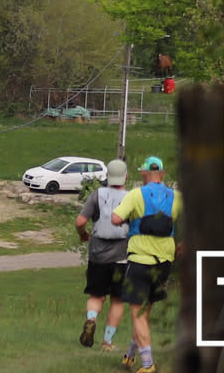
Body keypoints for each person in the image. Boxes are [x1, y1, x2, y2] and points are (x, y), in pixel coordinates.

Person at [108, 154, 181, 372]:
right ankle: (130, 356)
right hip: (164, 262)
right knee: (143, 313)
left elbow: (115, 219)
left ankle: (148, 365)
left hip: (140, 261)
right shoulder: (177, 196)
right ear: (163, 174)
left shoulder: (135, 194)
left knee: (137, 314)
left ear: (143, 173)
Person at [76, 159, 132, 349]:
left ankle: (91, 319)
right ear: (126, 176)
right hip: (121, 256)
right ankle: (107, 342)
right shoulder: (131, 198)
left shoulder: (96, 195)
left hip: (97, 254)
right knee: (117, 300)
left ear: (107, 176)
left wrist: (83, 234)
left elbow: (80, 222)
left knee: (96, 295)